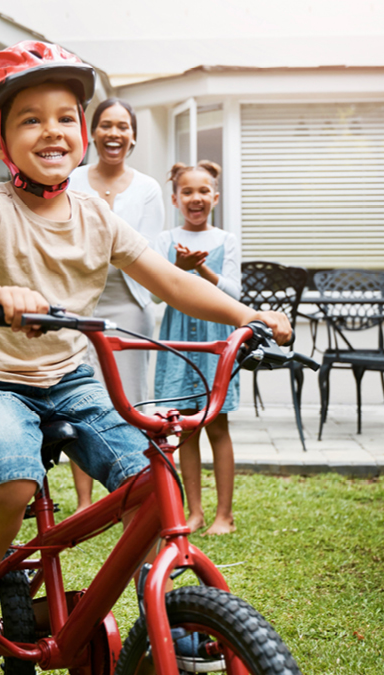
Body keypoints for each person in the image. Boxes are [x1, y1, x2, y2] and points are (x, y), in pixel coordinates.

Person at [0, 41, 291, 675]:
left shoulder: (96, 215)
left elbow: (170, 281)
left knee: (150, 478)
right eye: (30, 119)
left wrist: (245, 314)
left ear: (82, 130)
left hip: (70, 378)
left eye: (66, 116)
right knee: (14, 475)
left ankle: (162, 611)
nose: (53, 130)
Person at [66, 98, 165, 511]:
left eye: (123, 126)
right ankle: (86, 500)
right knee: (80, 397)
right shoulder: (71, 180)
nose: (114, 134)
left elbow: (148, 252)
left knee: (131, 401)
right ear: (93, 133)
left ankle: (131, 491)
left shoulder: (147, 189)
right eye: (106, 125)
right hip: (78, 306)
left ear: (133, 136)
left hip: (130, 304)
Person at [152, 161, 241, 535]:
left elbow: (236, 294)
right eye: (187, 192)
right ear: (175, 198)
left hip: (213, 343)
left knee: (217, 426)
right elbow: (155, 295)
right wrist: (176, 267)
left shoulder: (226, 240)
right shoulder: (164, 241)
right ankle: (195, 513)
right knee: (184, 429)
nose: (196, 198)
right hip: (179, 345)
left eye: (203, 191)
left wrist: (201, 270)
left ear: (215, 197)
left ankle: (224, 515)